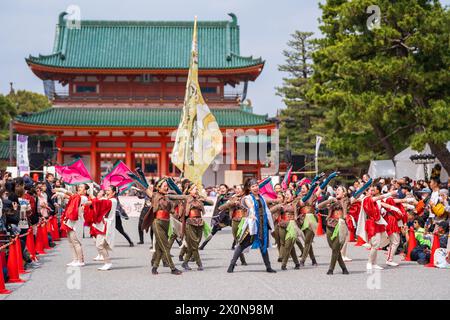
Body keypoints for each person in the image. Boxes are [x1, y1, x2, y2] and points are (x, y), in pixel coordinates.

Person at [227, 178, 276, 273]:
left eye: (256, 185)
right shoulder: (247, 198)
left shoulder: (261, 197)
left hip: (263, 225)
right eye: (253, 186)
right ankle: (232, 264)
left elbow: (267, 208)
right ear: (249, 188)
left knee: (263, 245)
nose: (255, 187)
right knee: (242, 244)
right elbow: (250, 206)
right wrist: (252, 213)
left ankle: (268, 267)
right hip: (252, 225)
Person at [148, 179, 183, 275]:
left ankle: (154, 267)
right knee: (166, 246)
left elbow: (172, 210)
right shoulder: (154, 195)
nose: (166, 187)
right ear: (158, 187)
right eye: (164, 186)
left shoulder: (167, 197)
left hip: (166, 223)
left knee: (159, 247)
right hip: (158, 223)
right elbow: (145, 187)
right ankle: (172, 268)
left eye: (167, 186)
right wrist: (140, 176)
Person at [317, 186, 350, 275]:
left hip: (340, 226)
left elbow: (344, 208)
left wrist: (339, 200)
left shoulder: (346, 200)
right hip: (329, 226)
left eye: (339, 190)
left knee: (335, 248)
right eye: (336, 190)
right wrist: (329, 200)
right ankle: (344, 268)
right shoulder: (332, 201)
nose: (337, 191)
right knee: (333, 247)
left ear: (344, 193)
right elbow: (319, 206)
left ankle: (331, 269)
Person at [181, 183, 213, 271]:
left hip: (199, 222)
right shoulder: (186, 198)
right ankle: (199, 264)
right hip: (190, 222)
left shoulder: (199, 199)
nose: (196, 190)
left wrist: (203, 197)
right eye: (195, 189)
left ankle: (185, 262)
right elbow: (176, 196)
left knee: (195, 244)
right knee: (194, 244)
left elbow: (211, 203)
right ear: (190, 191)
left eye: (197, 189)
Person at [217, 184, 247, 265]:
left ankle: (237, 260)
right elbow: (222, 207)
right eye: (236, 189)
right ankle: (242, 260)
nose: (236, 190)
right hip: (234, 220)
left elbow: (249, 208)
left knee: (240, 240)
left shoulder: (246, 198)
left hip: (244, 220)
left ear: (243, 190)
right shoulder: (233, 197)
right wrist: (233, 203)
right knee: (237, 241)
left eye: (238, 189)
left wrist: (240, 204)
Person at [60, 184, 89, 267]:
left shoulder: (83, 198)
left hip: (77, 221)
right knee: (70, 242)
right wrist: (60, 193)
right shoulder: (76, 197)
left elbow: (71, 195)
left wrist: (60, 190)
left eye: (81, 187)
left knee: (76, 242)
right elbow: (70, 197)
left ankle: (81, 260)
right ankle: (75, 259)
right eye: (79, 187)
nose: (79, 188)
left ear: (85, 190)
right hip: (70, 220)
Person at [90, 187, 117, 271]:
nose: (107, 191)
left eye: (109, 190)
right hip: (102, 224)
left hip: (106, 225)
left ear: (113, 193)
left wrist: (93, 198)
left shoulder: (113, 200)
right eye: (107, 190)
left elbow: (101, 203)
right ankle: (107, 262)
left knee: (99, 245)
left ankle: (108, 263)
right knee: (102, 245)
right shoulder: (107, 199)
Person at [199, 184, 230, 250]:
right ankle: (203, 245)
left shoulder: (229, 196)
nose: (222, 189)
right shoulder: (219, 197)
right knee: (212, 232)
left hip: (228, 217)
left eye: (223, 188)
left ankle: (234, 245)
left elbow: (228, 201)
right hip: (220, 218)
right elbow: (216, 207)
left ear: (226, 189)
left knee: (236, 231)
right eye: (220, 188)